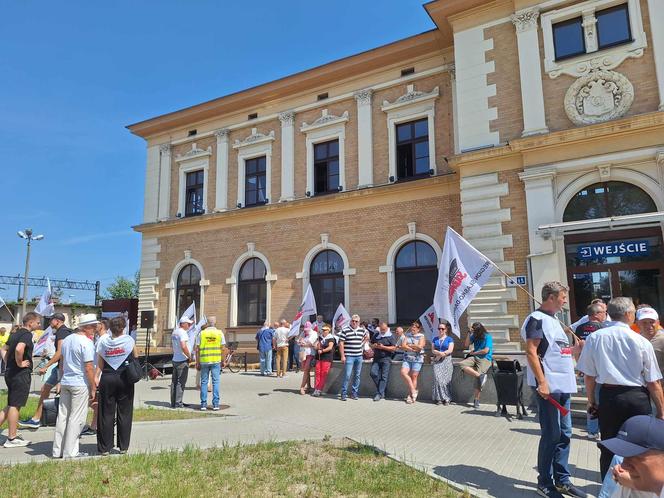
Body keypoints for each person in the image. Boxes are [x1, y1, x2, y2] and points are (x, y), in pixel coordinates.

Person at [577, 297, 664, 480]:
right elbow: (653, 381)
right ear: (628, 314)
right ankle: (639, 487)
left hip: (609, 396)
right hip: (637, 398)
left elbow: (589, 376)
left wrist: (592, 401)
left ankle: (609, 489)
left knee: (609, 444)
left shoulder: (595, 338)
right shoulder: (641, 342)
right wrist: (661, 411)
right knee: (641, 445)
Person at [522, 281, 585, 498]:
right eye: (562, 296)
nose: (565, 300)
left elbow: (558, 350)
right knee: (551, 434)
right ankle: (544, 482)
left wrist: (575, 349)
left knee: (565, 433)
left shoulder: (555, 320)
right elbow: (531, 351)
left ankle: (562, 480)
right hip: (549, 388)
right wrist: (542, 382)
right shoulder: (536, 319)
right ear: (551, 297)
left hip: (563, 386)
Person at [53, 314, 96, 459]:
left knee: (63, 416)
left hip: (66, 381)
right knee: (76, 418)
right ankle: (71, 452)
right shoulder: (86, 342)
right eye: (93, 326)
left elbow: (62, 362)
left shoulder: (67, 340)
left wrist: (60, 379)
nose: (95, 329)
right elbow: (89, 367)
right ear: (86, 327)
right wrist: (93, 386)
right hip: (79, 382)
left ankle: (57, 450)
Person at [20, 312, 73, 429]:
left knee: (64, 394)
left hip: (63, 367)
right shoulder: (64, 332)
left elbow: (60, 352)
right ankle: (36, 418)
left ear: (57, 321)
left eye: (51, 320)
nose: (49, 323)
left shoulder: (62, 332)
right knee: (46, 389)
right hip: (61, 367)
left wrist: (46, 366)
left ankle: (62, 420)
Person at [95, 316, 137, 455]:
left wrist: (96, 377)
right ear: (123, 328)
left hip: (107, 378)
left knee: (105, 413)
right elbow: (135, 356)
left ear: (110, 328)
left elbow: (100, 363)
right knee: (124, 412)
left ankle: (105, 448)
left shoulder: (104, 342)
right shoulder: (129, 340)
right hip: (125, 378)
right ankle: (123, 446)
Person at [0, 312, 40, 447]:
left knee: (11, 404)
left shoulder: (15, 333)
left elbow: (3, 349)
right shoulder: (27, 334)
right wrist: (19, 363)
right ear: (30, 323)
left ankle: (11, 435)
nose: (39, 325)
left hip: (10, 373)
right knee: (15, 405)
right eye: (38, 323)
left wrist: (8, 362)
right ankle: (12, 438)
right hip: (20, 374)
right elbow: (19, 349)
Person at [601, 415, 664, 498]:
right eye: (625, 456)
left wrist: (637, 484)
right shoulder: (629, 484)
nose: (622, 466)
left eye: (636, 457)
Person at [459, 322, 493, 409]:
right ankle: (480, 376)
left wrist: (475, 352)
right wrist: (468, 333)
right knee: (462, 364)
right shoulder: (474, 335)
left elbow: (485, 351)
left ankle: (476, 400)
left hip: (485, 359)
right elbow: (466, 345)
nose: (474, 333)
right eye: (473, 331)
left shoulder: (487, 336)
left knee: (477, 380)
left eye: (475, 331)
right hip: (475, 357)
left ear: (480, 330)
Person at [195, 316, 225, 411]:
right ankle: (216, 404)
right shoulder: (219, 333)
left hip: (204, 361)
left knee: (204, 382)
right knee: (215, 382)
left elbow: (197, 349)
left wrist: (197, 362)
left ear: (207, 323)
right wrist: (223, 360)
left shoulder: (202, 333)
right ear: (215, 323)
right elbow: (223, 349)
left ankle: (203, 404)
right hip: (216, 360)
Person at [338, 314, 368, 401]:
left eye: (356, 321)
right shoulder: (345, 330)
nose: (354, 322)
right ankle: (343, 393)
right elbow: (341, 343)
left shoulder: (362, 330)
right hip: (349, 356)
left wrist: (361, 344)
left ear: (359, 322)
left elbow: (366, 338)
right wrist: (342, 356)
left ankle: (354, 393)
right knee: (347, 375)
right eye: (353, 321)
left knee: (357, 375)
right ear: (350, 321)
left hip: (359, 356)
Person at [369, 322, 396, 401]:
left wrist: (383, 347)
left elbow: (394, 348)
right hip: (376, 358)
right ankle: (382, 389)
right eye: (381, 330)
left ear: (387, 328)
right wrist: (373, 346)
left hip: (386, 358)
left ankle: (379, 393)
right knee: (373, 373)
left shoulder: (390, 336)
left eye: (384, 329)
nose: (383, 331)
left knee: (384, 377)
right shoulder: (376, 335)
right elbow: (371, 344)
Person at [400, 320, 426, 404]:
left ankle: (410, 396)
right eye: (412, 327)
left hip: (417, 358)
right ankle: (413, 390)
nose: (413, 329)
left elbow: (420, 347)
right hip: (407, 358)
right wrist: (411, 347)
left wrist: (410, 345)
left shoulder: (421, 336)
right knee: (403, 372)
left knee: (414, 376)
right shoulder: (407, 335)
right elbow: (403, 346)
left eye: (415, 328)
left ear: (418, 329)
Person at [171, 316, 193, 408]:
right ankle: (178, 403)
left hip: (175, 358)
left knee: (174, 382)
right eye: (188, 324)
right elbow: (183, 346)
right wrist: (189, 356)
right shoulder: (183, 333)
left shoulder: (174, 332)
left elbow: (171, 344)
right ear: (183, 324)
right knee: (181, 382)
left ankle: (173, 402)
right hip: (182, 360)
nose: (189, 325)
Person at [636, 308, 664, 380]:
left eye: (652, 322)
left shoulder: (662, 339)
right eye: (644, 322)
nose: (649, 326)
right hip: (640, 386)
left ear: (658, 322)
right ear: (637, 323)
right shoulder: (634, 339)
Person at [431, 320, 455, 405]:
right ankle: (439, 398)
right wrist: (439, 354)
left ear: (446, 330)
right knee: (438, 379)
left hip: (446, 360)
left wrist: (443, 354)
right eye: (439, 328)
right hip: (437, 360)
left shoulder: (449, 339)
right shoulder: (435, 339)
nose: (440, 330)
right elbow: (433, 350)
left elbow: (450, 350)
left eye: (442, 328)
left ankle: (447, 398)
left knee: (445, 380)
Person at [313, 324, 335, 397]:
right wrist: (316, 346)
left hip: (327, 357)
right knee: (317, 373)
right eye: (323, 330)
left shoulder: (331, 338)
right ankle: (316, 388)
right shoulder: (320, 337)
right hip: (319, 357)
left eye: (325, 330)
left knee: (323, 374)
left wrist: (322, 351)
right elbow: (315, 345)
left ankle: (319, 389)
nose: (323, 331)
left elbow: (330, 347)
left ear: (329, 330)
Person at [298, 321, 318, 395]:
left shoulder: (314, 333)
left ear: (310, 328)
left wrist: (303, 343)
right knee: (306, 370)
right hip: (303, 353)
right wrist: (301, 343)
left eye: (307, 330)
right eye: (305, 329)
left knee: (306, 370)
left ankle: (302, 387)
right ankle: (309, 386)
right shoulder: (303, 333)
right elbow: (299, 341)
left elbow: (310, 343)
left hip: (310, 354)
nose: (305, 331)